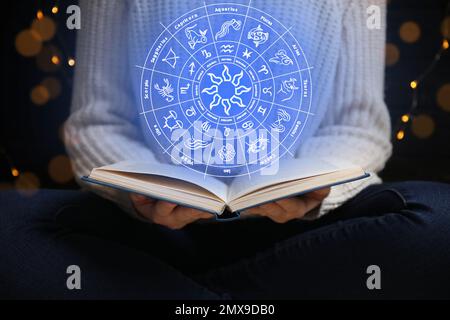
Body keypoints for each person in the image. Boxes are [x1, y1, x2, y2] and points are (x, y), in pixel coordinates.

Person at [1, 0, 449, 299]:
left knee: (439, 223)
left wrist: (312, 189)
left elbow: (359, 125)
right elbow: (97, 121)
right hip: (154, 231)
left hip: (301, 232)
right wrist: (143, 193)